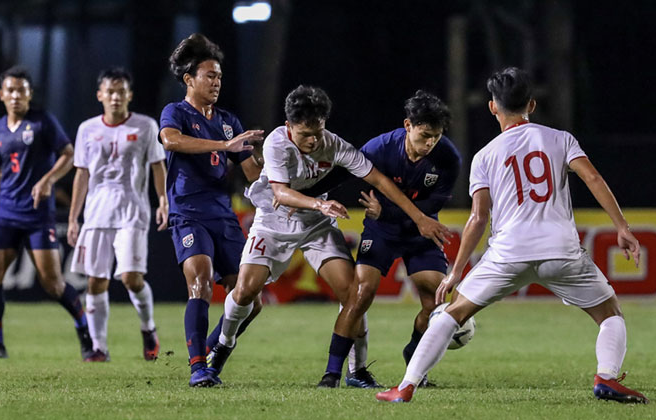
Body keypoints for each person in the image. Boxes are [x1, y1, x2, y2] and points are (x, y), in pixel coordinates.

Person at [376, 67, 648, 404]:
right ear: (531, 104)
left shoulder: (485, 155)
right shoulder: (560, 139)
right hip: (559, 250)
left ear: (493, 107)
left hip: (508, 253)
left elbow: (478, 218)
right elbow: (592, 178)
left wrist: (456, 271)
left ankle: (406, 386)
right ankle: (606, 377)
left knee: (451, 313)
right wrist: (622, 226)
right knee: (610, 314)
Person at [207, 85, 451, 388]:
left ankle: (356, 370)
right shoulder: (276, 143)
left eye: (318, 132)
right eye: (305, 134)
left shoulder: (334, 145)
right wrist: (320, 203)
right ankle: (223, 345)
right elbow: (281, 193)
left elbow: (378, 178)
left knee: (354, 294)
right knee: (245, 291)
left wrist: (418, 217)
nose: (313, 141)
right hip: (272, 223)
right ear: (289, 127)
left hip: (316, 226)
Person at [305, 90, 461, 388]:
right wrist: (302, 194)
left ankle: (415, 358)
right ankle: (332, 373)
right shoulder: (380, 148)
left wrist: (385, 211)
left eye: (437, 136)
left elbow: (430, 209)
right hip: (382, 231)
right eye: (425, 135)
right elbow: (342, 175)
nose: (430, 143)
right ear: (408, 125)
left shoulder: (447, 158)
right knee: (360, 293)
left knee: (435, 301)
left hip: (419, 231)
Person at [159, 33, 265, 387]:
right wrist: (223, 144)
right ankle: (197, 368)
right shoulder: (176, 112)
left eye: (219, 76)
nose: (216, 82)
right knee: (201, 284)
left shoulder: (228, 120)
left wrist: (275, 155)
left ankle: (208, 353)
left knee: (251, 300)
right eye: (209, 75)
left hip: (223, 216)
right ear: (189, 80)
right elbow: (171, 141)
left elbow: (252, 174)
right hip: (188, 212)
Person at [0, 66, 93, 360]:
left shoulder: (42, 122)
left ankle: (84, 329)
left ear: (29, 94)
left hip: (38, 214)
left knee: (52, 283)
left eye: (22, 90)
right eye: (10, 90)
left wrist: (47, 180)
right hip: (5, 212)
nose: (16, 95)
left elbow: (68, 154)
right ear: (2, 94)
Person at [68, 67, 167, 362]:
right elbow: (82, 174)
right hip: (97, 213)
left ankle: (148, 328)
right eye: (110, 92)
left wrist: (163, 201)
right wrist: (73, 217)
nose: (115, 97)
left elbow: (158, 165)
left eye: (121, 91)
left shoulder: (146, 126)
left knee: (131, 278)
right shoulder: (87, 129)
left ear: (129, 95)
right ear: (100, 95)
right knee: (95, 282)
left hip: (132, 211)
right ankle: (99, 347)